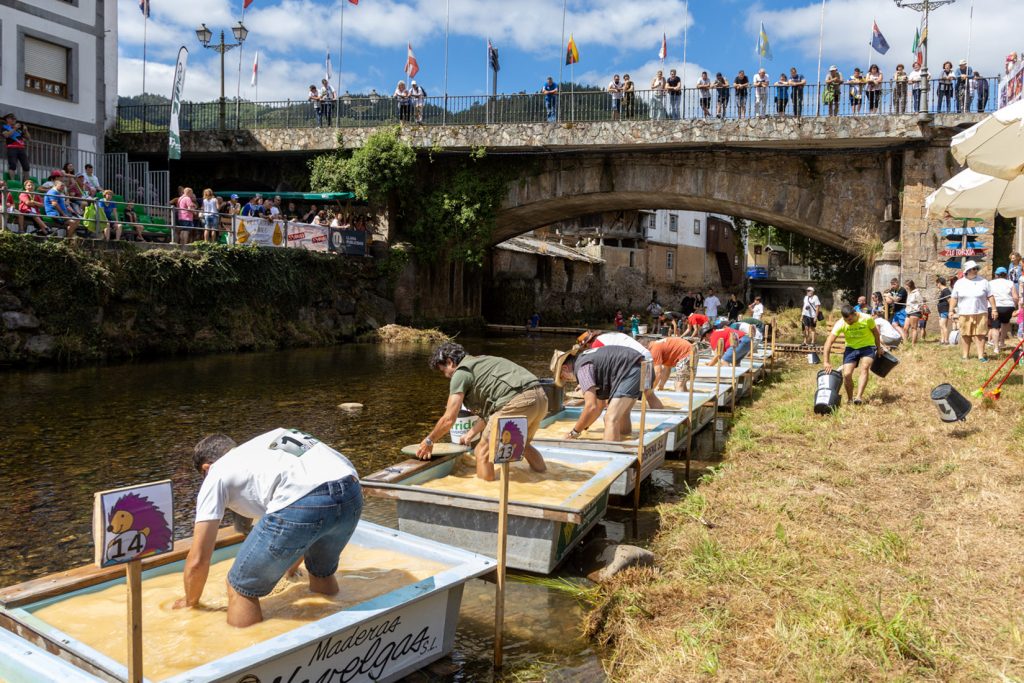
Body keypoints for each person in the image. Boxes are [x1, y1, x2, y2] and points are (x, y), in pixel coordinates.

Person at [175, 429, 362, 627]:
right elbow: (308, 525)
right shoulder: (264, 445)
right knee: (320, 572)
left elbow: (198, 560)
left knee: (240, 587)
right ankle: (337, 634)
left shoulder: (216, 473)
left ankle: (245, 649)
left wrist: (190, 604)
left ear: (206, 467)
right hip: (351, 490)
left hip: (304, 502)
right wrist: (290, 568)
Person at [418, 342, 548, 481]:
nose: (445, 375)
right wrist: (471, 433)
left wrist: (429, 441)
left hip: (518, 401)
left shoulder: (461, 373)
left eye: (443, 370)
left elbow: (449, 419)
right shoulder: (482, 361)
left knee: (482, 451)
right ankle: (545, 477)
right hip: (540, 398)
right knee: (523, 446)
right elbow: (492, 413)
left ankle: (484, 492)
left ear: (450, 362)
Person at [552, 345, 643, 442]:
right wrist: (584, 427)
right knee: (623, 413)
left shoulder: (582, 369)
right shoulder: (587, 360)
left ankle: (611, 455)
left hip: (630, 370)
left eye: (563, 377)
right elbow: (599, 406)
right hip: (641, 364)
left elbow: (591, 407)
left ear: (565, 368)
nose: (567, 380)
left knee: (610, 418)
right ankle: (626, 441)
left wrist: (573, 433)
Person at [822, 305, 882, 406]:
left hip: (867, 346)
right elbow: (829, 342)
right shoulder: (841, 323)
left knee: (865, 367)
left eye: (850, 319)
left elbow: (876, 333)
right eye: (846, 320)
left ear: (855, 314)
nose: (848, 322)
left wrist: (879, 347)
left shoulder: (867, 318)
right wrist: (826, 361)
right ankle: (850, 399)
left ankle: (858, 397)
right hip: (851, 349)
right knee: (846, 374)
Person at [950, 260, 995, 361]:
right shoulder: (959, 283)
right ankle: (965, 355)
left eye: (976, 268)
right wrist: (951, 310)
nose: (975, 270)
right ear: (967, 271)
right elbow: (954, 298)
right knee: (965, 334)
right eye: (973, 269)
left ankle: (981, 356)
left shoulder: (984, 282)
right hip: (964, 312)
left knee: (980, 334)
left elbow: (990, 296)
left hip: (981, 312)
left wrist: (994, 309)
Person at [989, 267, 1018, 355]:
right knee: (1005, 323)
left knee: (995, 327)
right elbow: (1015, 297)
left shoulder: (990, 283)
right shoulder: (1010, 283)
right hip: (1008, 306)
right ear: (1006, 275)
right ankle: (1002, 342)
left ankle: (996, 348)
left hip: (994, 306)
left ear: (996, 274)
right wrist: (1014, 306)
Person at [2, 113, 30, 182]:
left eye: (15, 119)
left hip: (21, 148)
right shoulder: (4, 127)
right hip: (12, 147)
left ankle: (26, 182)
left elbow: (28, 138)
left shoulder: (19, 129)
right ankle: (13, 181)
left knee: (26, 166)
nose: (14, 120)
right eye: (12, 118)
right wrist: (14, 128)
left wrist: (26, 130)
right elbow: (6, 135)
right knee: (12, 165)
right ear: (7, 119)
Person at [936, 275, 952, 344]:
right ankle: (942, 340)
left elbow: (950, 300)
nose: (936, 285)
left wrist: (951, 310)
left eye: (936, 283)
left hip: (945, 310)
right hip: (941, 310)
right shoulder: (943, 291)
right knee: (941, 326)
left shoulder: (946, 290)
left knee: (943, 325)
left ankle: (946, 340)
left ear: (939, 283)